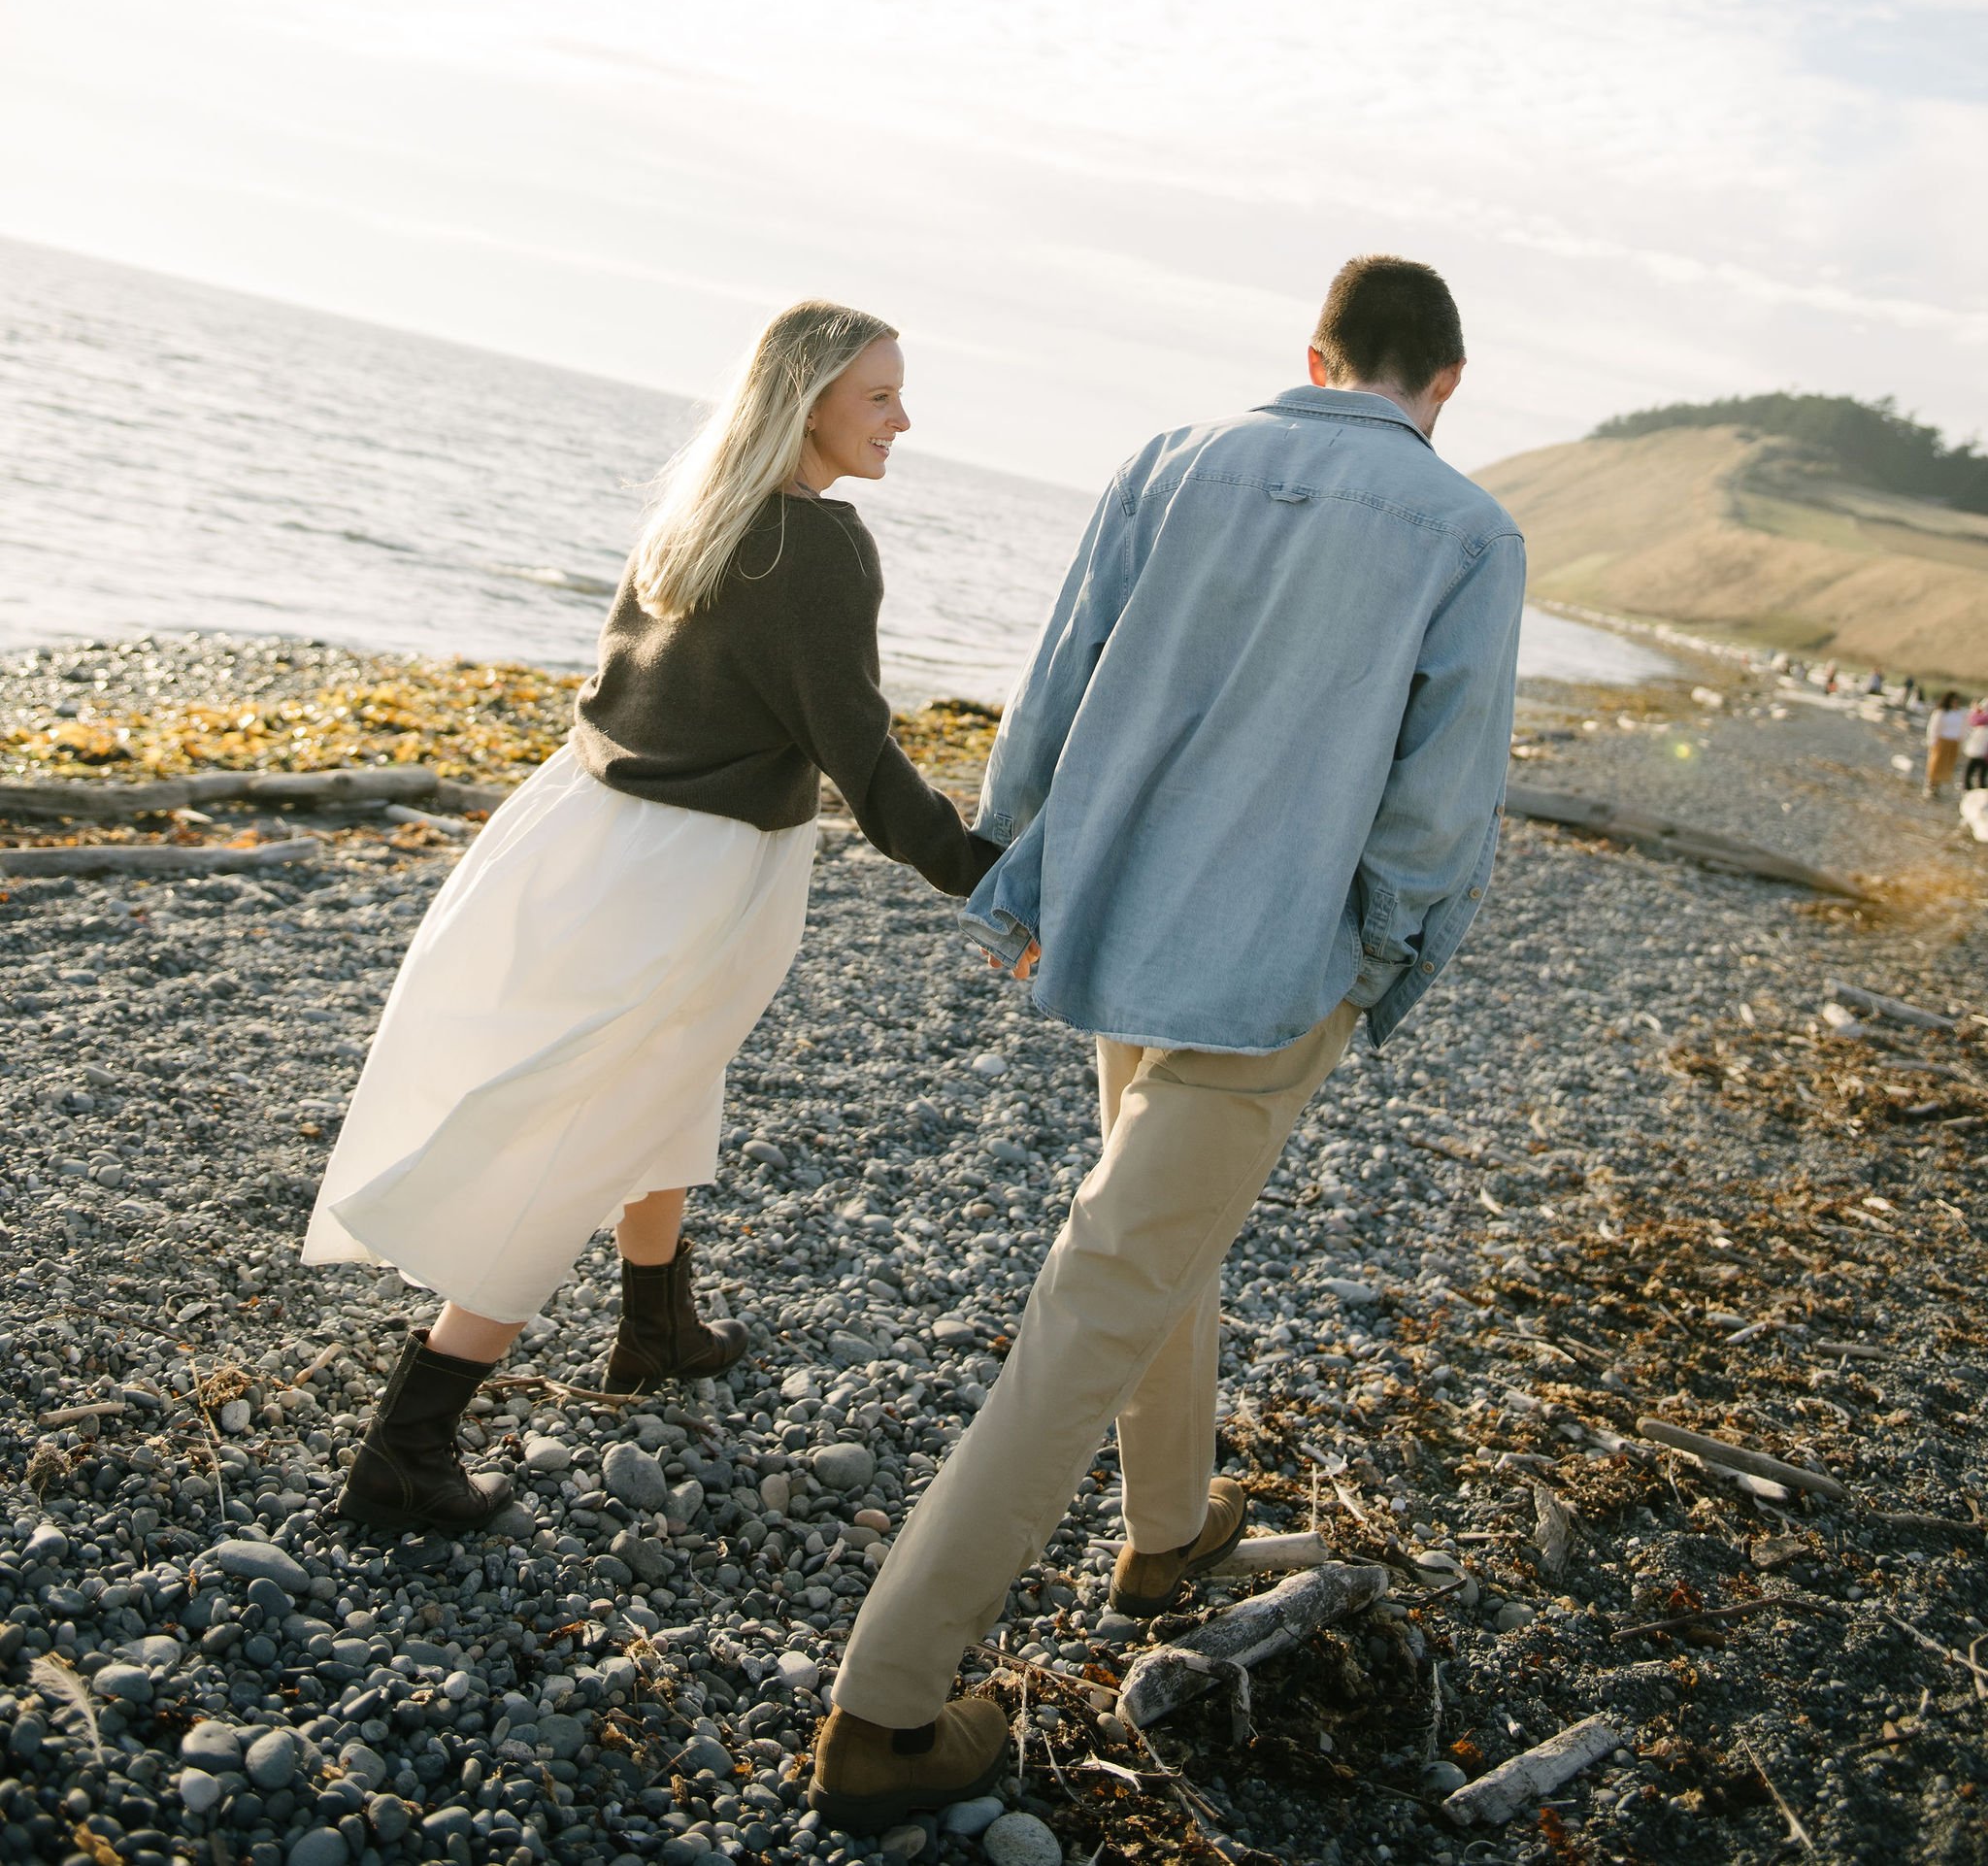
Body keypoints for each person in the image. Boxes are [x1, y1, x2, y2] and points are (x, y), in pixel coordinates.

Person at [809, 253, 1525, 1835]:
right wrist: (1384, 962)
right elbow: (1434, 798)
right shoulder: (1466, 531)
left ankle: (1169, 1529)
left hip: (1122, 921)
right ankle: (886, 1703)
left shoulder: (1167, 456)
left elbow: (1056, 679)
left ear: (1318, 354)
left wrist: (1025, 873)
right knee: (1102, 1290)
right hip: (1271, 962)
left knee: (1154, 1234)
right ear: (1443, 385)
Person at [304, 299, 997, 1537]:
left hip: (581, 829)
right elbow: (862, 755)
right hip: (691, 867)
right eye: (880, 396)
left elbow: (626, 684)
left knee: (670, 1079)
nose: (904, 419)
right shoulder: (821, 547)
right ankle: (409, 1444)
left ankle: (656, 1324)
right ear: (809, 402)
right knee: (580, 1130)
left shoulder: (698, 505)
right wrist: (988, 876)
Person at [1926, 690, 1970, 800]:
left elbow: (1964, 728)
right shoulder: (1941, 713)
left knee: (1947, 765)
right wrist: (1932, 741)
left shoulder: (1959, 714)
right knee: (1936, 764)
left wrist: (1962, 741)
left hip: (1953, 741)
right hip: (1942, 741)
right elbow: (1934, 727)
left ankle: (1938, 786)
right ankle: (1931, 785)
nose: (1956, 703)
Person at [1962, 698, 1988, 796]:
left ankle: (1980, 792)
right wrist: (1976, 709)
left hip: (1981, 747)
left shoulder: (1981, 718)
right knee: (1973, 769)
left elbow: (1974, 719)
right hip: (1978, 747)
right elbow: (1973, 720)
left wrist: (1976, 709)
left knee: (1982, 772)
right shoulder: (1981, 719)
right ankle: (1968, 789)